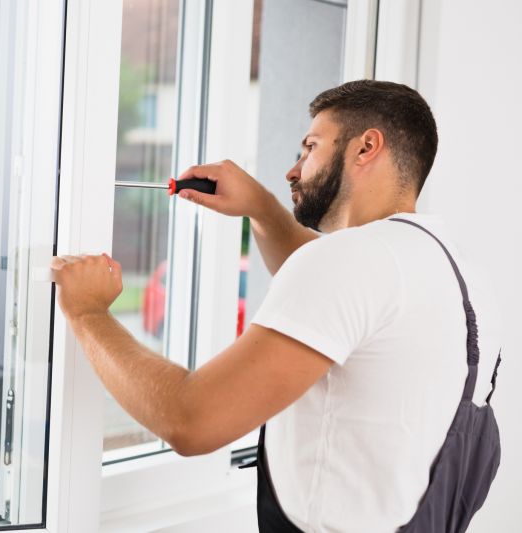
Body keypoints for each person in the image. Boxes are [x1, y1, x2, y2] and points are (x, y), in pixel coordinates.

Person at [50, 80, 502, 532]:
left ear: (366, 148)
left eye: (310, 147)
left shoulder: (350, 262)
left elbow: (190, 420)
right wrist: (263, 210)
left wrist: (88, 312)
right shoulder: (450, 266)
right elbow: (341, 307)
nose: (292, 171)